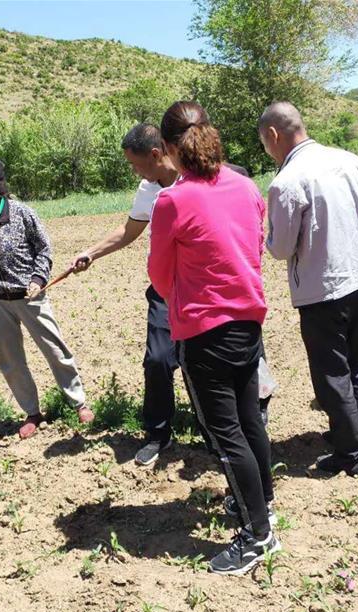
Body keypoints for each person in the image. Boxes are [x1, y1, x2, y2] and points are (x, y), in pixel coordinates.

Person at [71, 125, 275, 467]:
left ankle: (228, 433)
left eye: (135, 163)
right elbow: (130, 229)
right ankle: (158, 433)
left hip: (210, 293)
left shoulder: (204, 179)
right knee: (158, 360)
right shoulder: (149, 189)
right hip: (167, 290)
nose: (134, 171)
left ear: (156, 154)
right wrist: (91, 253)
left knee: (227, 367)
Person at [148, 101, 279, 575]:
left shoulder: (173, 201)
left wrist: (184, 298)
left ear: (166, 148)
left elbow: (159, 275)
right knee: (250, 423)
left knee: (226, 438)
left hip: (205, 332)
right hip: (248, 322)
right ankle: (262, 504)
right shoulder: (245, 185)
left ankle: (257, 535)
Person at [260, 102, 358, 478]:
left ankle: (350, 453)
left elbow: (282, 247)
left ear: (273, 136)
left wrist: (266, 239)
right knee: (353, 361)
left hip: (323, 286)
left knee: (330, 371)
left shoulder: (287, 181)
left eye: (265, 144)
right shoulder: (351, 161)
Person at [0, 157, 94, 439]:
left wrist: (38, 279)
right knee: (10, 360)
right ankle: (32, 412)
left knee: (54, 348)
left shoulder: (23, 214)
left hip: (29, 296)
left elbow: (44, 250)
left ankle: (78, 401)